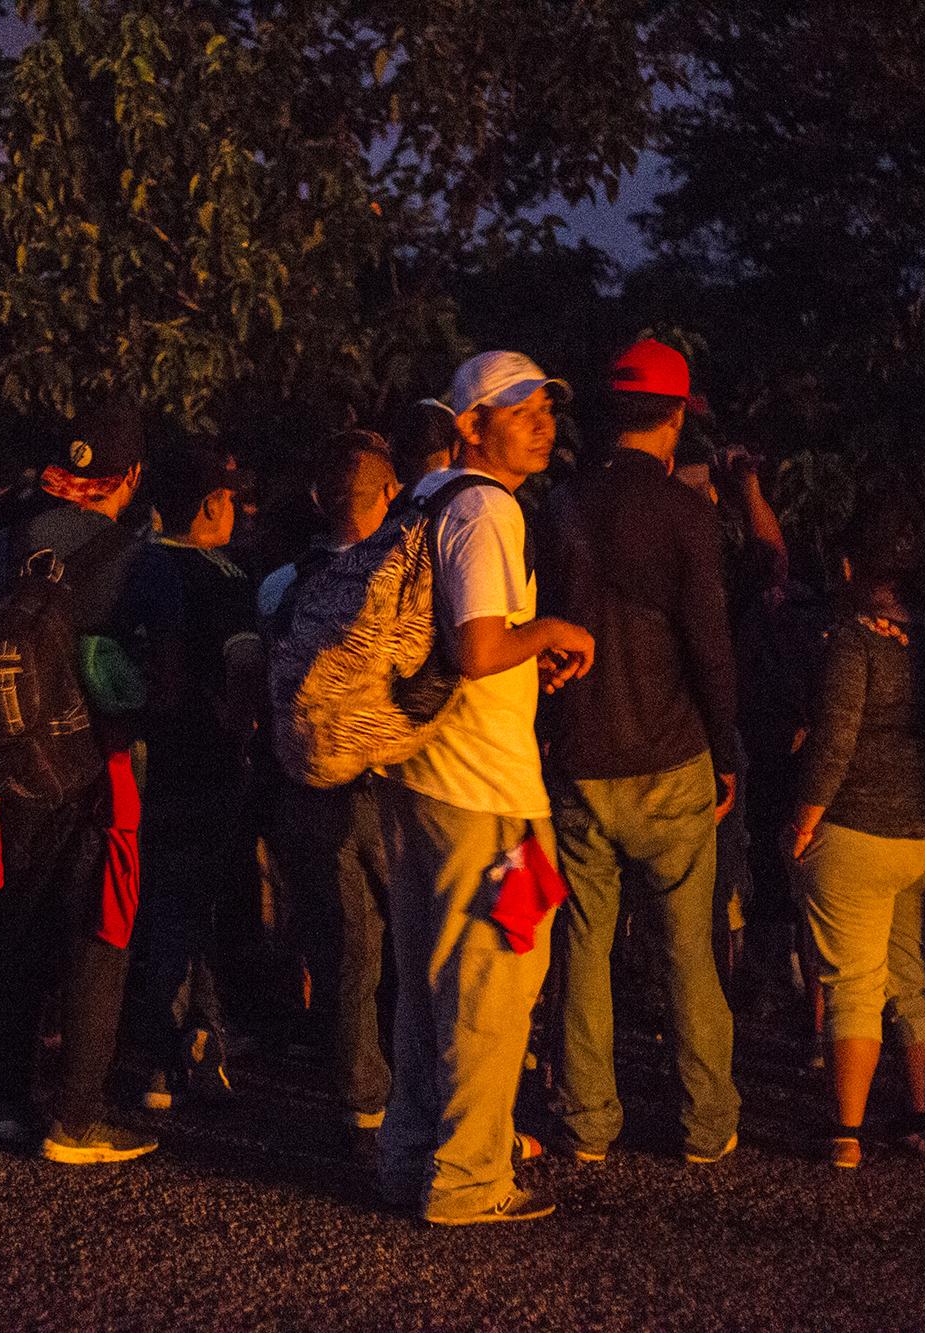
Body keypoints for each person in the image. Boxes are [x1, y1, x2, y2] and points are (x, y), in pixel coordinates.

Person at [377, 351, 594, 1225]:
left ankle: (407, 1159)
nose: (541, 421)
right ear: (471, 425)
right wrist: (548, 628)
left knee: (432, 980)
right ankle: (470, 1177)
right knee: (499, 976)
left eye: (546, 405)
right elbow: (474, 648)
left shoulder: (422, 498)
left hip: (423, 776)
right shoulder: (486, 506)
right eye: (518, 409)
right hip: (492, 792)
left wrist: (523, 654)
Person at [537, 339, 742, 1166]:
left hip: (580, 754)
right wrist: (727, 749)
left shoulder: (559, 507)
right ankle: (704, 1122)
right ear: (678, 415)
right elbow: (711, 646)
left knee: (583, 941)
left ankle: (586, 1122)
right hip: (669, 754)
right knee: (686, 945)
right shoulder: (688, 515)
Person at [0, 399, 156, 1165]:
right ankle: (77, 1117)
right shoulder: (136, 557)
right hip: (100, 773)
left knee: (12, 928)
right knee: (95, 936)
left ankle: (7, 1100)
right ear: (132, 475)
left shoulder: (10, 541)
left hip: (4, 766)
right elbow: (158, 683)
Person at [786, 503, 925, 1168]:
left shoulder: (854, 639)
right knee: (918, 975)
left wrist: (804, 818)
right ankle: (922, 1114)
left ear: (849, 567)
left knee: (854, 982)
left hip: (858, 828)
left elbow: (834, 739)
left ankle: (847, 1131)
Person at [260, 435, 401, 1150]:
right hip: (378, 781)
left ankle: (357, 1083)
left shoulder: (282, 583)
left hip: (300, 782)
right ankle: (384, 1090)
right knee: (392, 936)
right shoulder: (394, 580)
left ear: (320, 500)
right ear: (387, 496)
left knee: (340, 940)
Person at [120, 443, 261, 1110]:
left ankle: (199, 1036)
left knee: (155, 899)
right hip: (200, 757)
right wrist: (240, 729)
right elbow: (241, 667)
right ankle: (159, 1049)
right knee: (189, 899)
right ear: (211, 505)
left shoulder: (130, 564)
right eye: (230, 497)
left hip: (128, 752)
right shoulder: (224, 577)